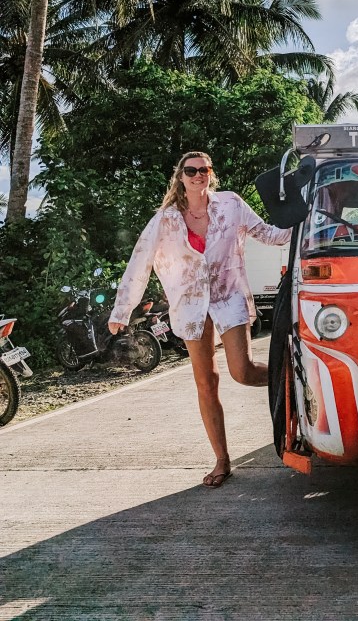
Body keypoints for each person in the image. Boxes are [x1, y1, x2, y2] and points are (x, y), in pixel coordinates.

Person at [108, 151, 291, 489]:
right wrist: (122, 310)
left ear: (211, 173)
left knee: (243, 371)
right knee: (206, 384)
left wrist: (307, 227)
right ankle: (222, 460)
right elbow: (140, 262)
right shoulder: (165, 220)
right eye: (190, 170)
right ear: (181, 176)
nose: (197, 175)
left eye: (203, 169)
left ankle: (294, 378)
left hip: (228, 296)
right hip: (191, 305)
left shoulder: (231, 204)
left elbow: (268, 233)